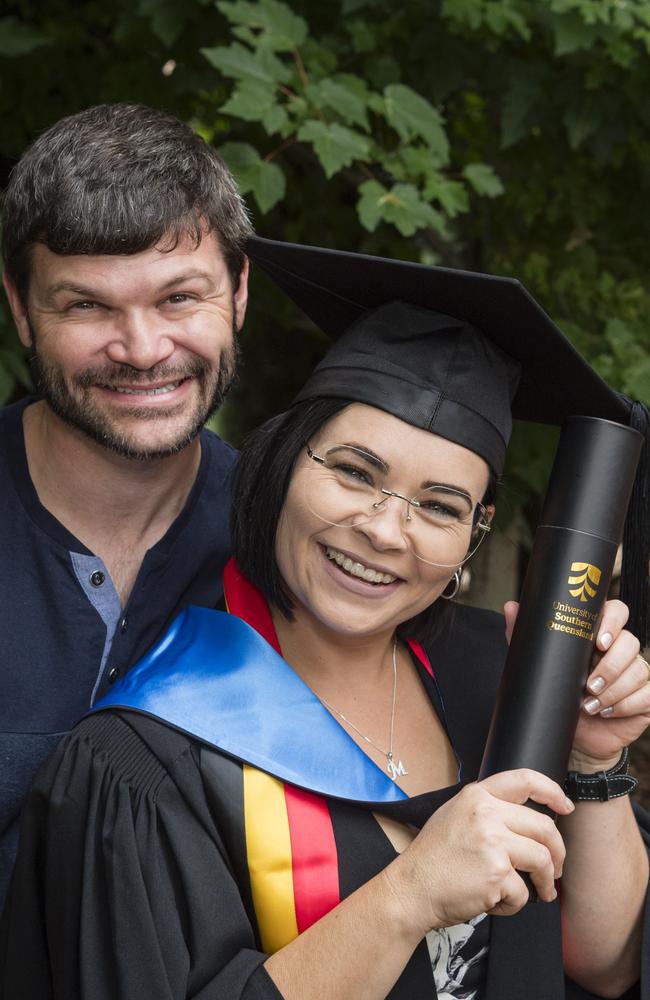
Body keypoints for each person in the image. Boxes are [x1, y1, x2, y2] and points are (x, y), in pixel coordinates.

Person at [1, 237, 649, 1000]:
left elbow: (605, 963)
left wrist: (594, 761)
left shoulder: (504, 679)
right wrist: (408, 894)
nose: (385, 530)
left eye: (441, 507)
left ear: (474, 535)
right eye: (353, 471)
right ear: (280, 463)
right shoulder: (149, 756)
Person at [0, 102, 252, 905]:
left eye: (180, 298)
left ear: (239, 293)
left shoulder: (288, 546)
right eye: (87, 305)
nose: (143, 350)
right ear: (19, 310)